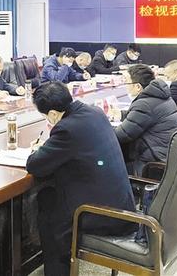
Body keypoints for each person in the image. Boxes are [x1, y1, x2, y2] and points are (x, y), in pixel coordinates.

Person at [26, 82, 136, 276]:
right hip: (121, 203)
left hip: (104, 214)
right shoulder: (94, 112)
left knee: (47, 211)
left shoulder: (67, 129)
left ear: (52, 114)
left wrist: (38, 150)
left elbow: (35, 165)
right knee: (50, 197)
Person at [113, 64, 177, 175]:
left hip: (153, 163)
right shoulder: (160, 96)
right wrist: (121, 114)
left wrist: (102, 126)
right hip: (169, 156)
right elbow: (144, 117)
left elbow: (121, 135)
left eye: (126, 82)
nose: (125, 86)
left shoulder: (144, 104)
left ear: (137, 87)